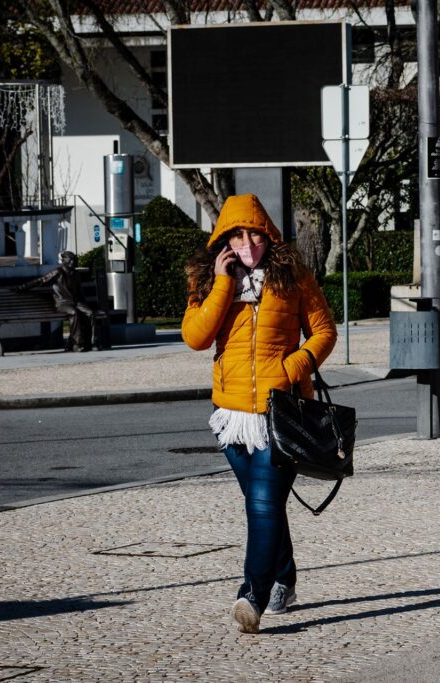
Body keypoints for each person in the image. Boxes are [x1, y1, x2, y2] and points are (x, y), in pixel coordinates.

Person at [181, 194, 337, 634]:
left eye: (254, 234)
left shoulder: (294, 277)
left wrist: (292, 367)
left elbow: (324, 332)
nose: (248, 243)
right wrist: (221, 284)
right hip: (229, 415)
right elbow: (195, 337)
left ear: (269, 236)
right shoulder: (208, 279)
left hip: (281, 412)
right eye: (237, 235)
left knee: (265, 503)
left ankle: (253, 593)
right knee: (261, 503)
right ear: (224, 240)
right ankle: (284, 577)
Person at [16, 251, 104, 352]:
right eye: (71, 260)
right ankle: (77, 344)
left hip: (75, 302)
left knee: (91, 313)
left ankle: (92, 343)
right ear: (65, 261)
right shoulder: (58, 272)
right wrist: (22, 287)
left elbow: (80, 292)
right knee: (74, 313)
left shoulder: (76, 274)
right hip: (63, 303)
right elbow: (41, 280)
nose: (73, 262)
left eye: (75, 260)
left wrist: (84, 305)